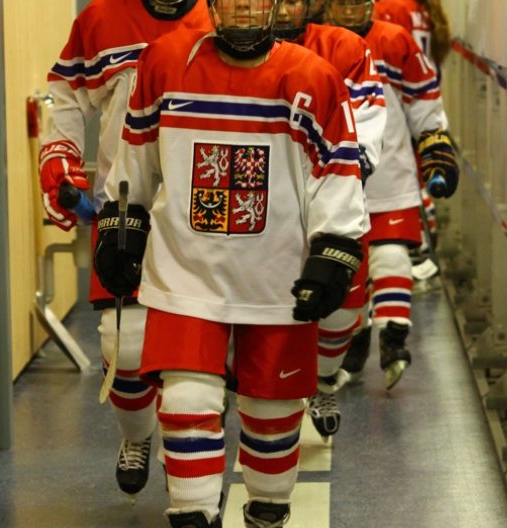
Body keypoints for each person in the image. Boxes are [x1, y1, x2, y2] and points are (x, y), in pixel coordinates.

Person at [94, 0, 368, 524]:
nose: (244, 7)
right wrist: (122, 223)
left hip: (276, 281)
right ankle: (195, 513)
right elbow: (137, 157)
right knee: (185, 403)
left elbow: (337, 171)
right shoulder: (166, 61)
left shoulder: (314, 76)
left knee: (272, 416)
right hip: (185, 272)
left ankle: (267, 512)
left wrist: (333, 249)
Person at [38, 0, 211, 498]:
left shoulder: (225, 16)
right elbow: (67, 95)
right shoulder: (100, 21)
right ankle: (136, 436)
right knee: (126, 346)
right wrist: (61, 157)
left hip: (203, 212)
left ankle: (194, 483)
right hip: (126, 206)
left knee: (202, 358)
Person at [325, 0, 459, 390]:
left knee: (391, 253)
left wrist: (433, 140)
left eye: (355, 5)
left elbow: (423, 99)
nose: (349, 13)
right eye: (341, 5)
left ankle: (394, 335)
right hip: (335, 178)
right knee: (349, 265)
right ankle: (357, 336)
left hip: (390, 169)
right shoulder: (315, 41)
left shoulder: (393, 38)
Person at [274, 0, 386, 438]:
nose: (280, 10)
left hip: (334, 197)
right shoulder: (210, 49)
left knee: (341, 312)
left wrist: (339, 178)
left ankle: (322, 379)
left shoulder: (345, 48)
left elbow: (363, 130)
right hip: (262, 207)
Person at [373, 0, 453, 271]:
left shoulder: (393, 7)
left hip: (401, 105)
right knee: (416, 178)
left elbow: (391, 58)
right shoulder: (420, 7)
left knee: (403, 183)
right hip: (421, 102)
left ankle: (414, 250)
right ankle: (419, 248)